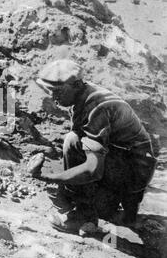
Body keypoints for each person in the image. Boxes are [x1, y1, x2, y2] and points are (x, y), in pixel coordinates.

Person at [32, 59, 157, 234]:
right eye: (51, 91)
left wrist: (50, 177)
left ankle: (83, 218)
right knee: (75, 149)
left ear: (76, 85)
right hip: (124, 161)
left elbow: (92, 170)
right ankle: (111, 209)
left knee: (72, 140)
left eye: (58, 91)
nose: (54, 97)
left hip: (132, 172)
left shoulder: (97, 107)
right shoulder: (83, 94)